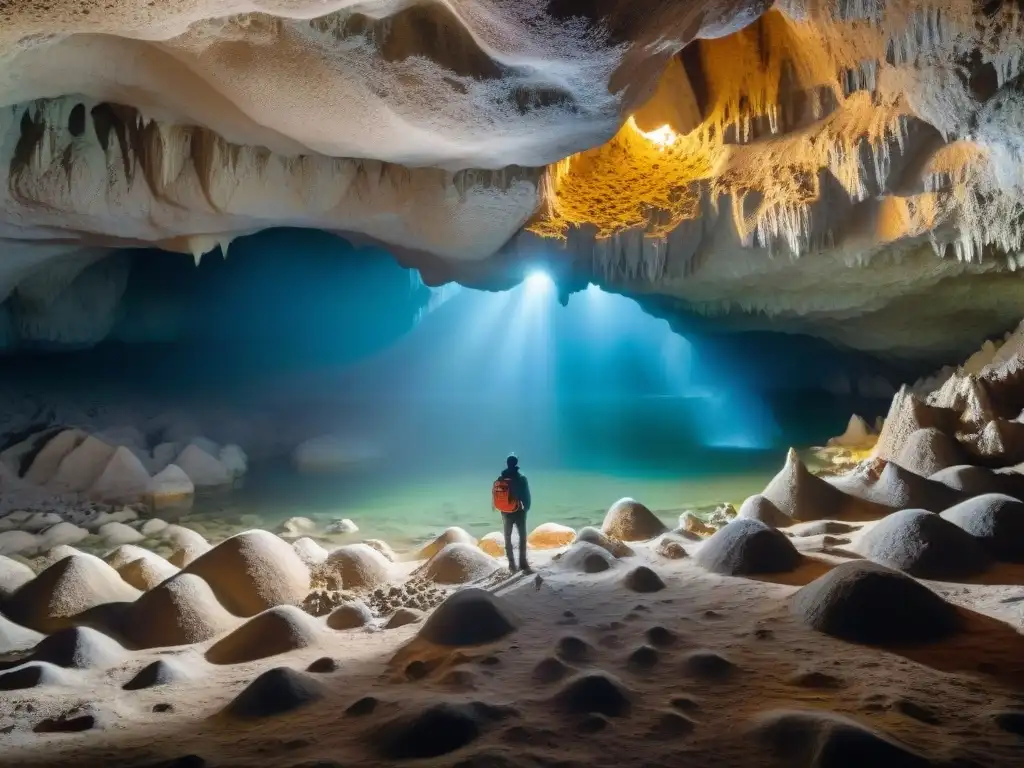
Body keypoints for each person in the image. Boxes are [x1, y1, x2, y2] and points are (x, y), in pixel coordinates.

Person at [491, 453, 532, 574]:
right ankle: (523, 563)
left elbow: (496, 495)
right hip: (519, 511)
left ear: (507, 464)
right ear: (516, 464)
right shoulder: (521, 478)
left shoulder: (500, 478)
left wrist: (496, 507)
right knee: (522, 538)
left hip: (505, 512)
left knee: (507, 538)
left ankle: (511, 564)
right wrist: (526, 508)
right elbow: (526, 496)